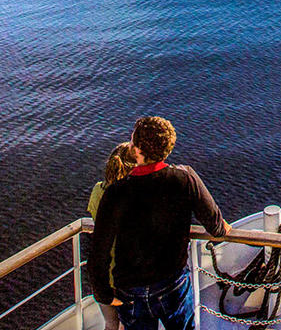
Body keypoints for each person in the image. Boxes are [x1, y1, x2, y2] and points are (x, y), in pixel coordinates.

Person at [88, 116, 231, 330]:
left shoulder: (115, 193)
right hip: (172, 285)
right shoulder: (185, 179)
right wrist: (225, 228)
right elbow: (217, 228)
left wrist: (104, 294)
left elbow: (98, 252)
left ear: (136, 150)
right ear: (168, 148)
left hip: (130, 291)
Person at [87, 142, 137, 330]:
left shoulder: (97, 192)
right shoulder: (133, 199)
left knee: (110, 323)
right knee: (129, 324)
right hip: (127, 276)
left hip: (103, 276)